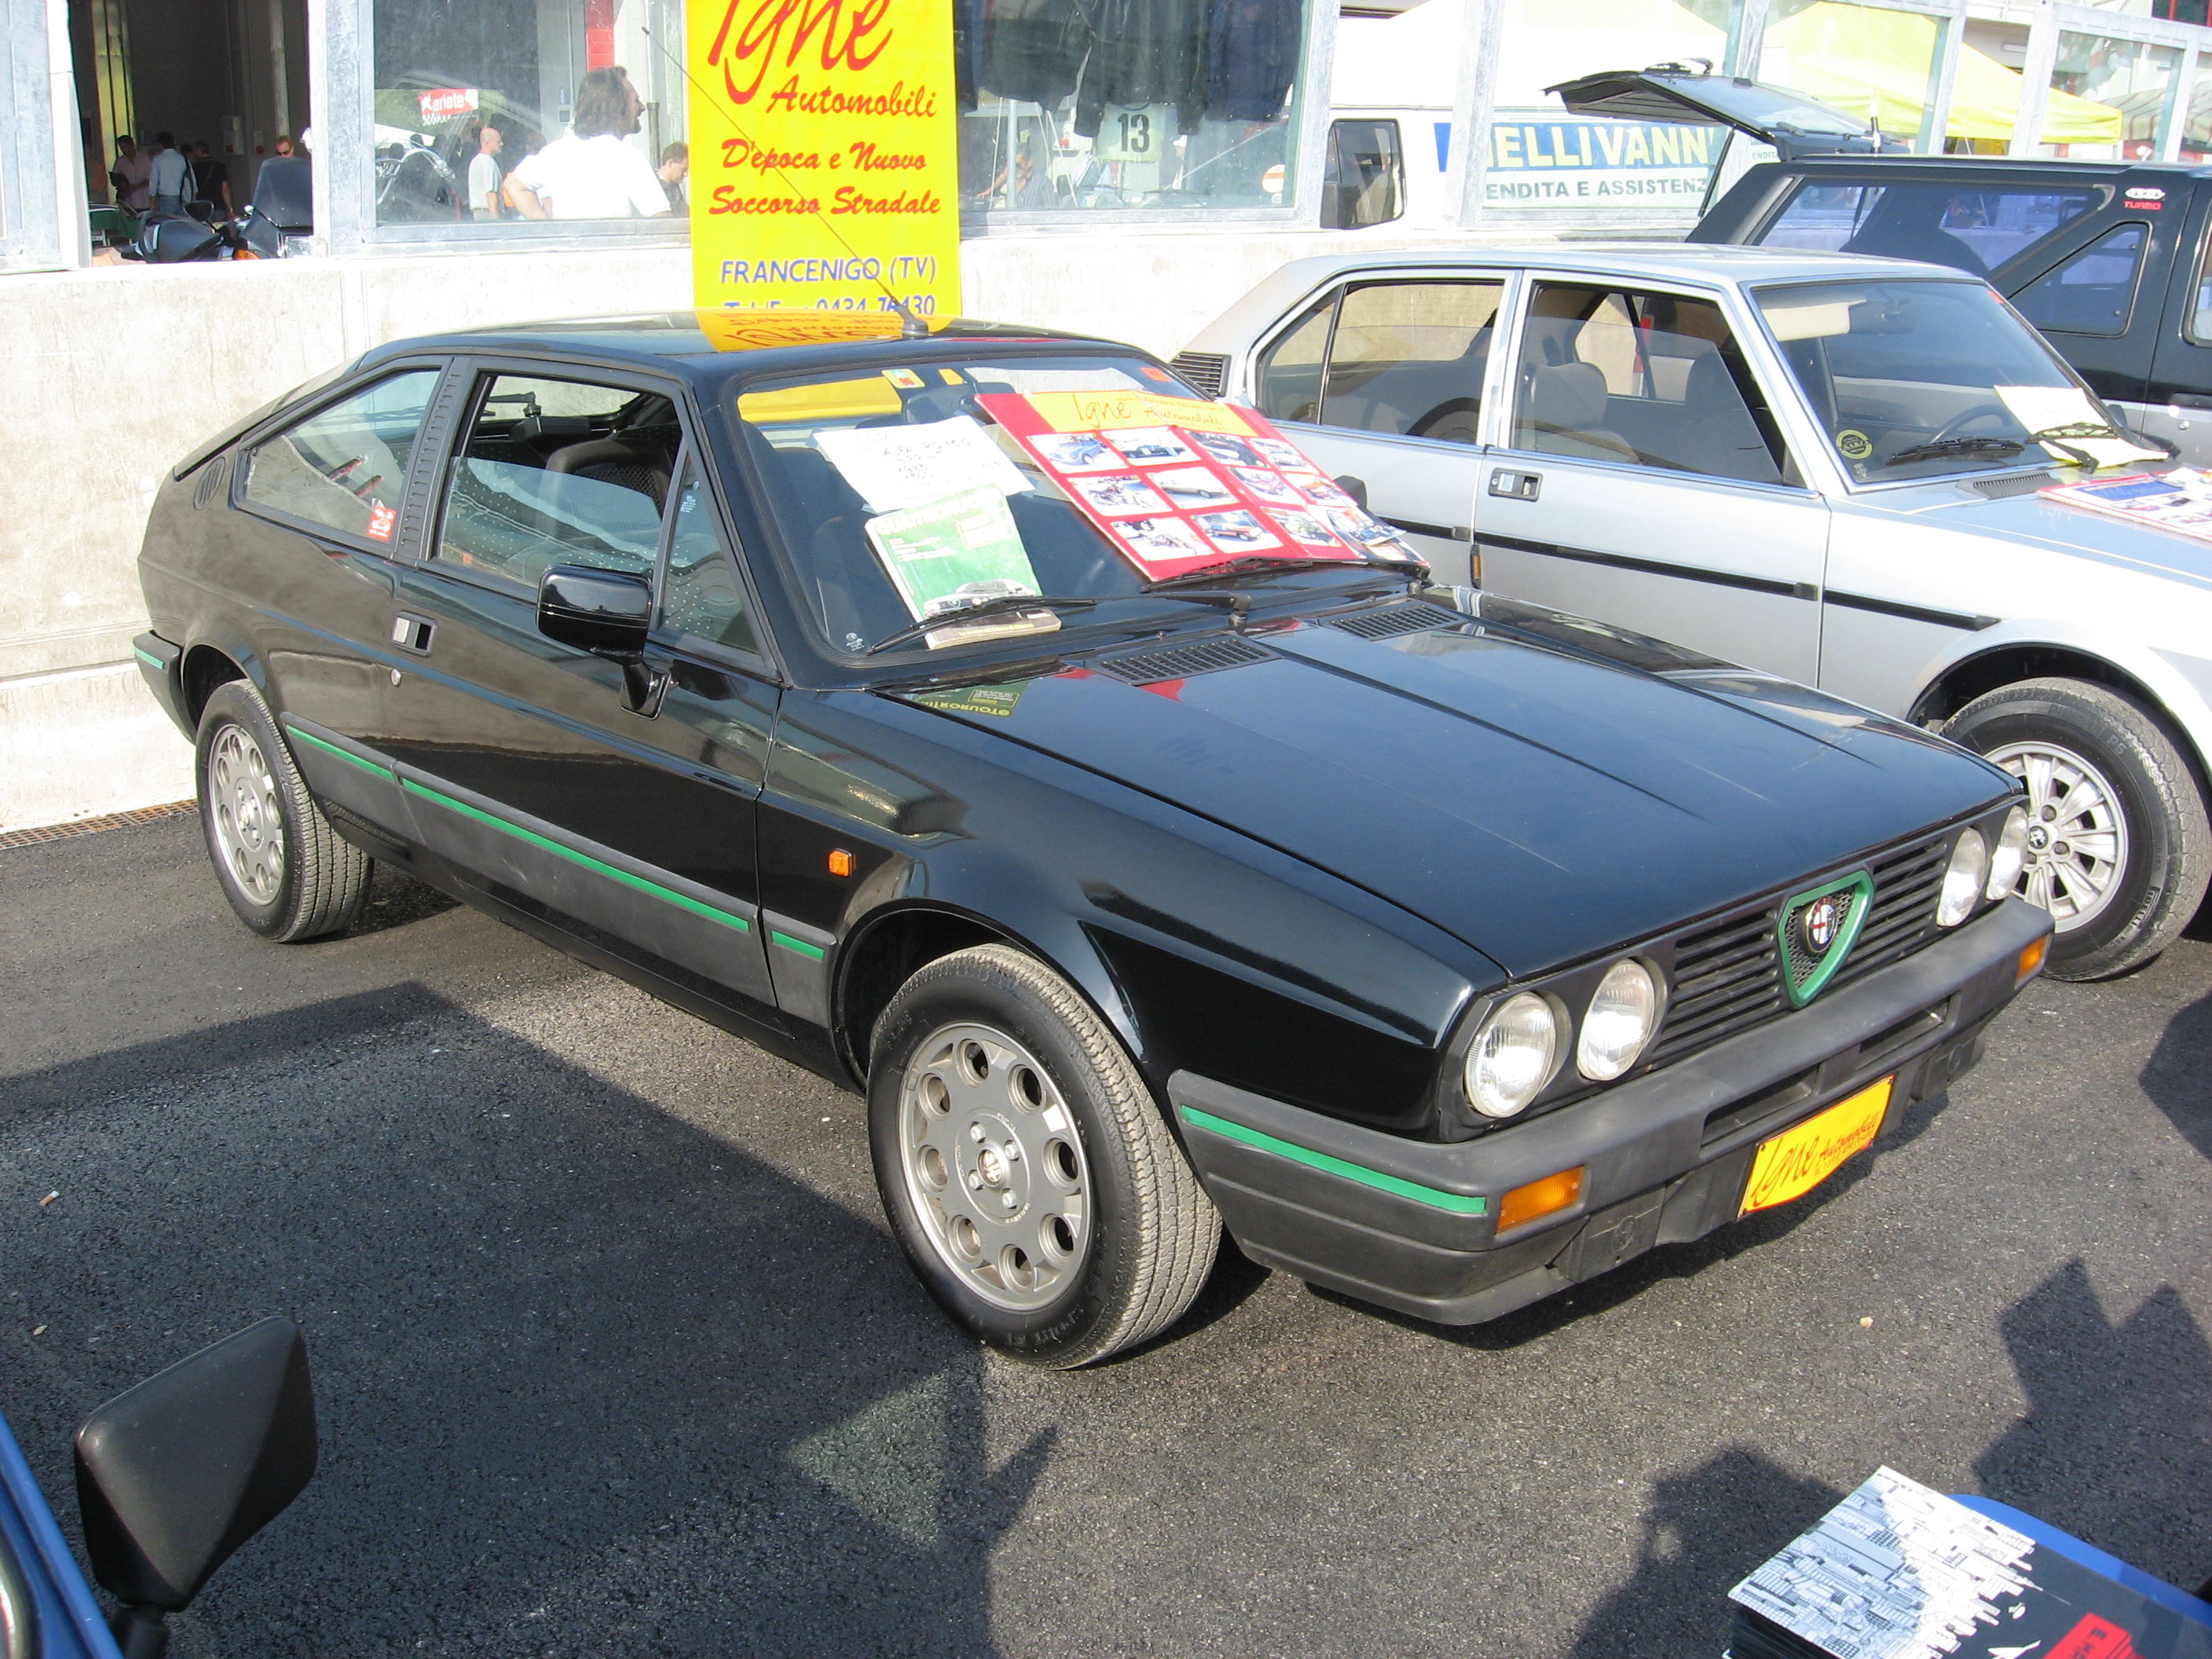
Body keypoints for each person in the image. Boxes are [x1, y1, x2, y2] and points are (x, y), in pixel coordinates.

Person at [507, 68, 669, 220]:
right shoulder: (627, 157)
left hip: (571, 249)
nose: (642, 108)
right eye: (635, 101)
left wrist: (548, 229)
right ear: (616, 107)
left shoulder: (557, 153)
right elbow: (661, 220)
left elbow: (513, 184)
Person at [146, 132, 189, 218]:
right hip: (182, 198)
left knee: (168, 224)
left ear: (160, 144)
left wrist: (152, 202)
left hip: (166, 198)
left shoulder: (158, 159)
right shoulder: (182, 158)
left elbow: (154, 182)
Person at [467, 123, 504, 221]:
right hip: (489, 212)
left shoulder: (475, 161)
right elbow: (491, 194)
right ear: (487, 143)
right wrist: (496, 221)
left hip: (478, 212)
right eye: (498, 142)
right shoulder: (489, 163)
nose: (502, 144)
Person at [189, 141, 233, 217]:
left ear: (199, 151)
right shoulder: (220, 166)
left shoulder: (194, 167)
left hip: (201, 206)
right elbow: (225, 188)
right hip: (218, 205)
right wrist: (230, 209)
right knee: (219, 227)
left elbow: (191, 189)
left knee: (202, 228)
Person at [111, 135, 152, 214]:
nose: (123, 150)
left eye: (124, 147)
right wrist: (122, 185)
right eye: (121, 147)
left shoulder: (144, 159)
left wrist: (136, 187)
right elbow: (114, 179)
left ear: (132, 146)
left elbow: (150, 178)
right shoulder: (120, 161)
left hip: (144, 200)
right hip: (128, 201)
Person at [658, 141, 689, 214]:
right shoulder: (653, 187)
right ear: (670, 163)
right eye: (684, 169)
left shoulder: (675, 185)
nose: (686, 174)